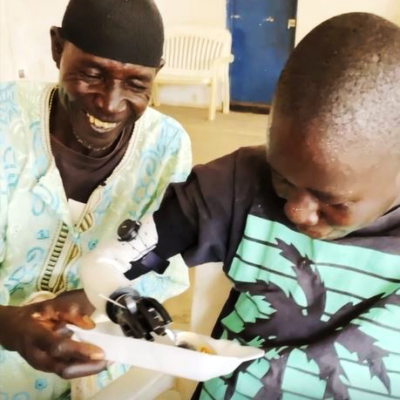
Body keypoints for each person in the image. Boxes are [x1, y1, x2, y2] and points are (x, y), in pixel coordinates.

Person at [129, 13, 400, 399]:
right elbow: (137, 256)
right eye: (283, 177)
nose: (297, 212)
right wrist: (97, 295)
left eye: (333, 201)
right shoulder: (241, 184)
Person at [0, 0, 191, 398]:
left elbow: (159, 262)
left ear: (156, 74)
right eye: (91, 74)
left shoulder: (166, 147)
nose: (110, 102)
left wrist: (92, 298)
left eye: (137, 84)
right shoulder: (6, 122)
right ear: (57, 48)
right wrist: (11, 326)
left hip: (95, 363)